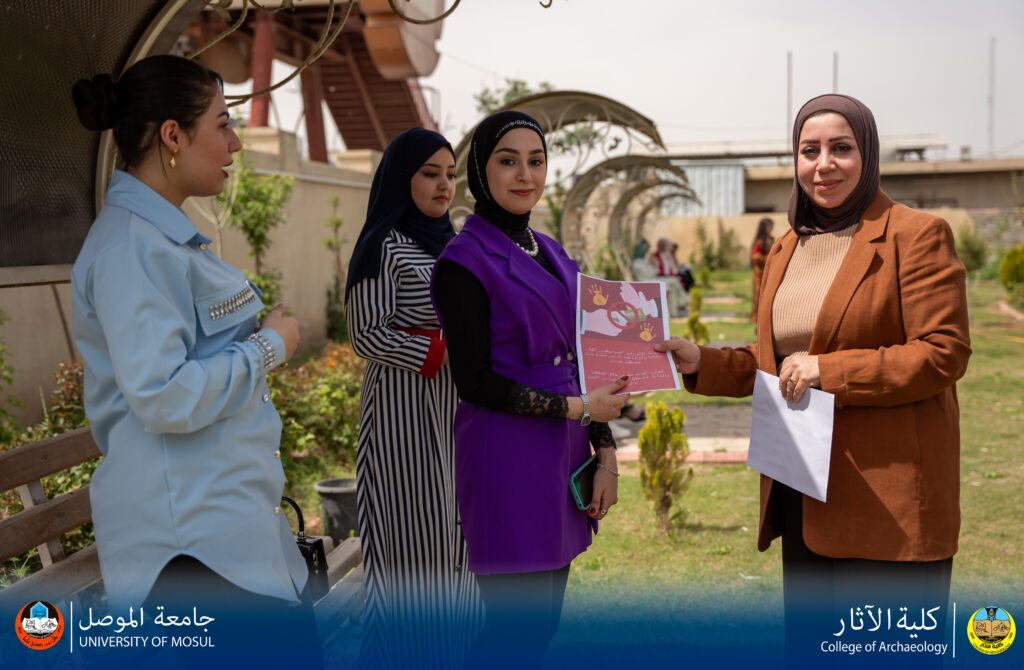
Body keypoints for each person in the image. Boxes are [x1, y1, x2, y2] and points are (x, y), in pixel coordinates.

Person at [655, 94, 970, 668]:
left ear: (868, 154)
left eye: (841, 148)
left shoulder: (916, 234)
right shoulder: (787, 246)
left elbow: (942, 353)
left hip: (888, 503)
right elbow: (777, 362)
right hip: (804, 489)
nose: (823, 164)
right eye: (809, 150)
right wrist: (701, 360)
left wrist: (830, 370)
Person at [70, 55, 321, 667]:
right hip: (190, 549)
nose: (236, 143)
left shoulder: (162, 239)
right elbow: (163, 395)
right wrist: (269, 347)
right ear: (173, 136)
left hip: (224, 534)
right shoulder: (131, 247)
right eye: (223, 124)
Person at [430, 111, 629, 668]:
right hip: (507, 455)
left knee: (541, 628)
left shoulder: (548, 249)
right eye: (508, 161)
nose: (525, 175)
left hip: (561, 452)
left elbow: (582, 355)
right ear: (481, 170)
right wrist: (580, 408)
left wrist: (606, 451)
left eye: (536, 161)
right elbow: (474, 382)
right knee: (513, 633)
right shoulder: (463, 261)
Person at [344, 128, 479, 670]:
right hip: (403, 416)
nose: (444, 185)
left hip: (454, 412)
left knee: (456, 538)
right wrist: (442, 350)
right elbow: (365, 333)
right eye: (429, 174)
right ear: (402, 178)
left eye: (450, 174)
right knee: (412, 542)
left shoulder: (453, 243)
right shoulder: (384, 246)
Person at [749, 217, 775, 321]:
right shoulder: (759, 241)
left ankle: (767, 314)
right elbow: (754, 256)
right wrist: (766, 257)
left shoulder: (771, 239)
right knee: (759, 293)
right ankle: (757, 316)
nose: (772, 228)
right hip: (759, 273)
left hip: (769, 271)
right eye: (770, 226)